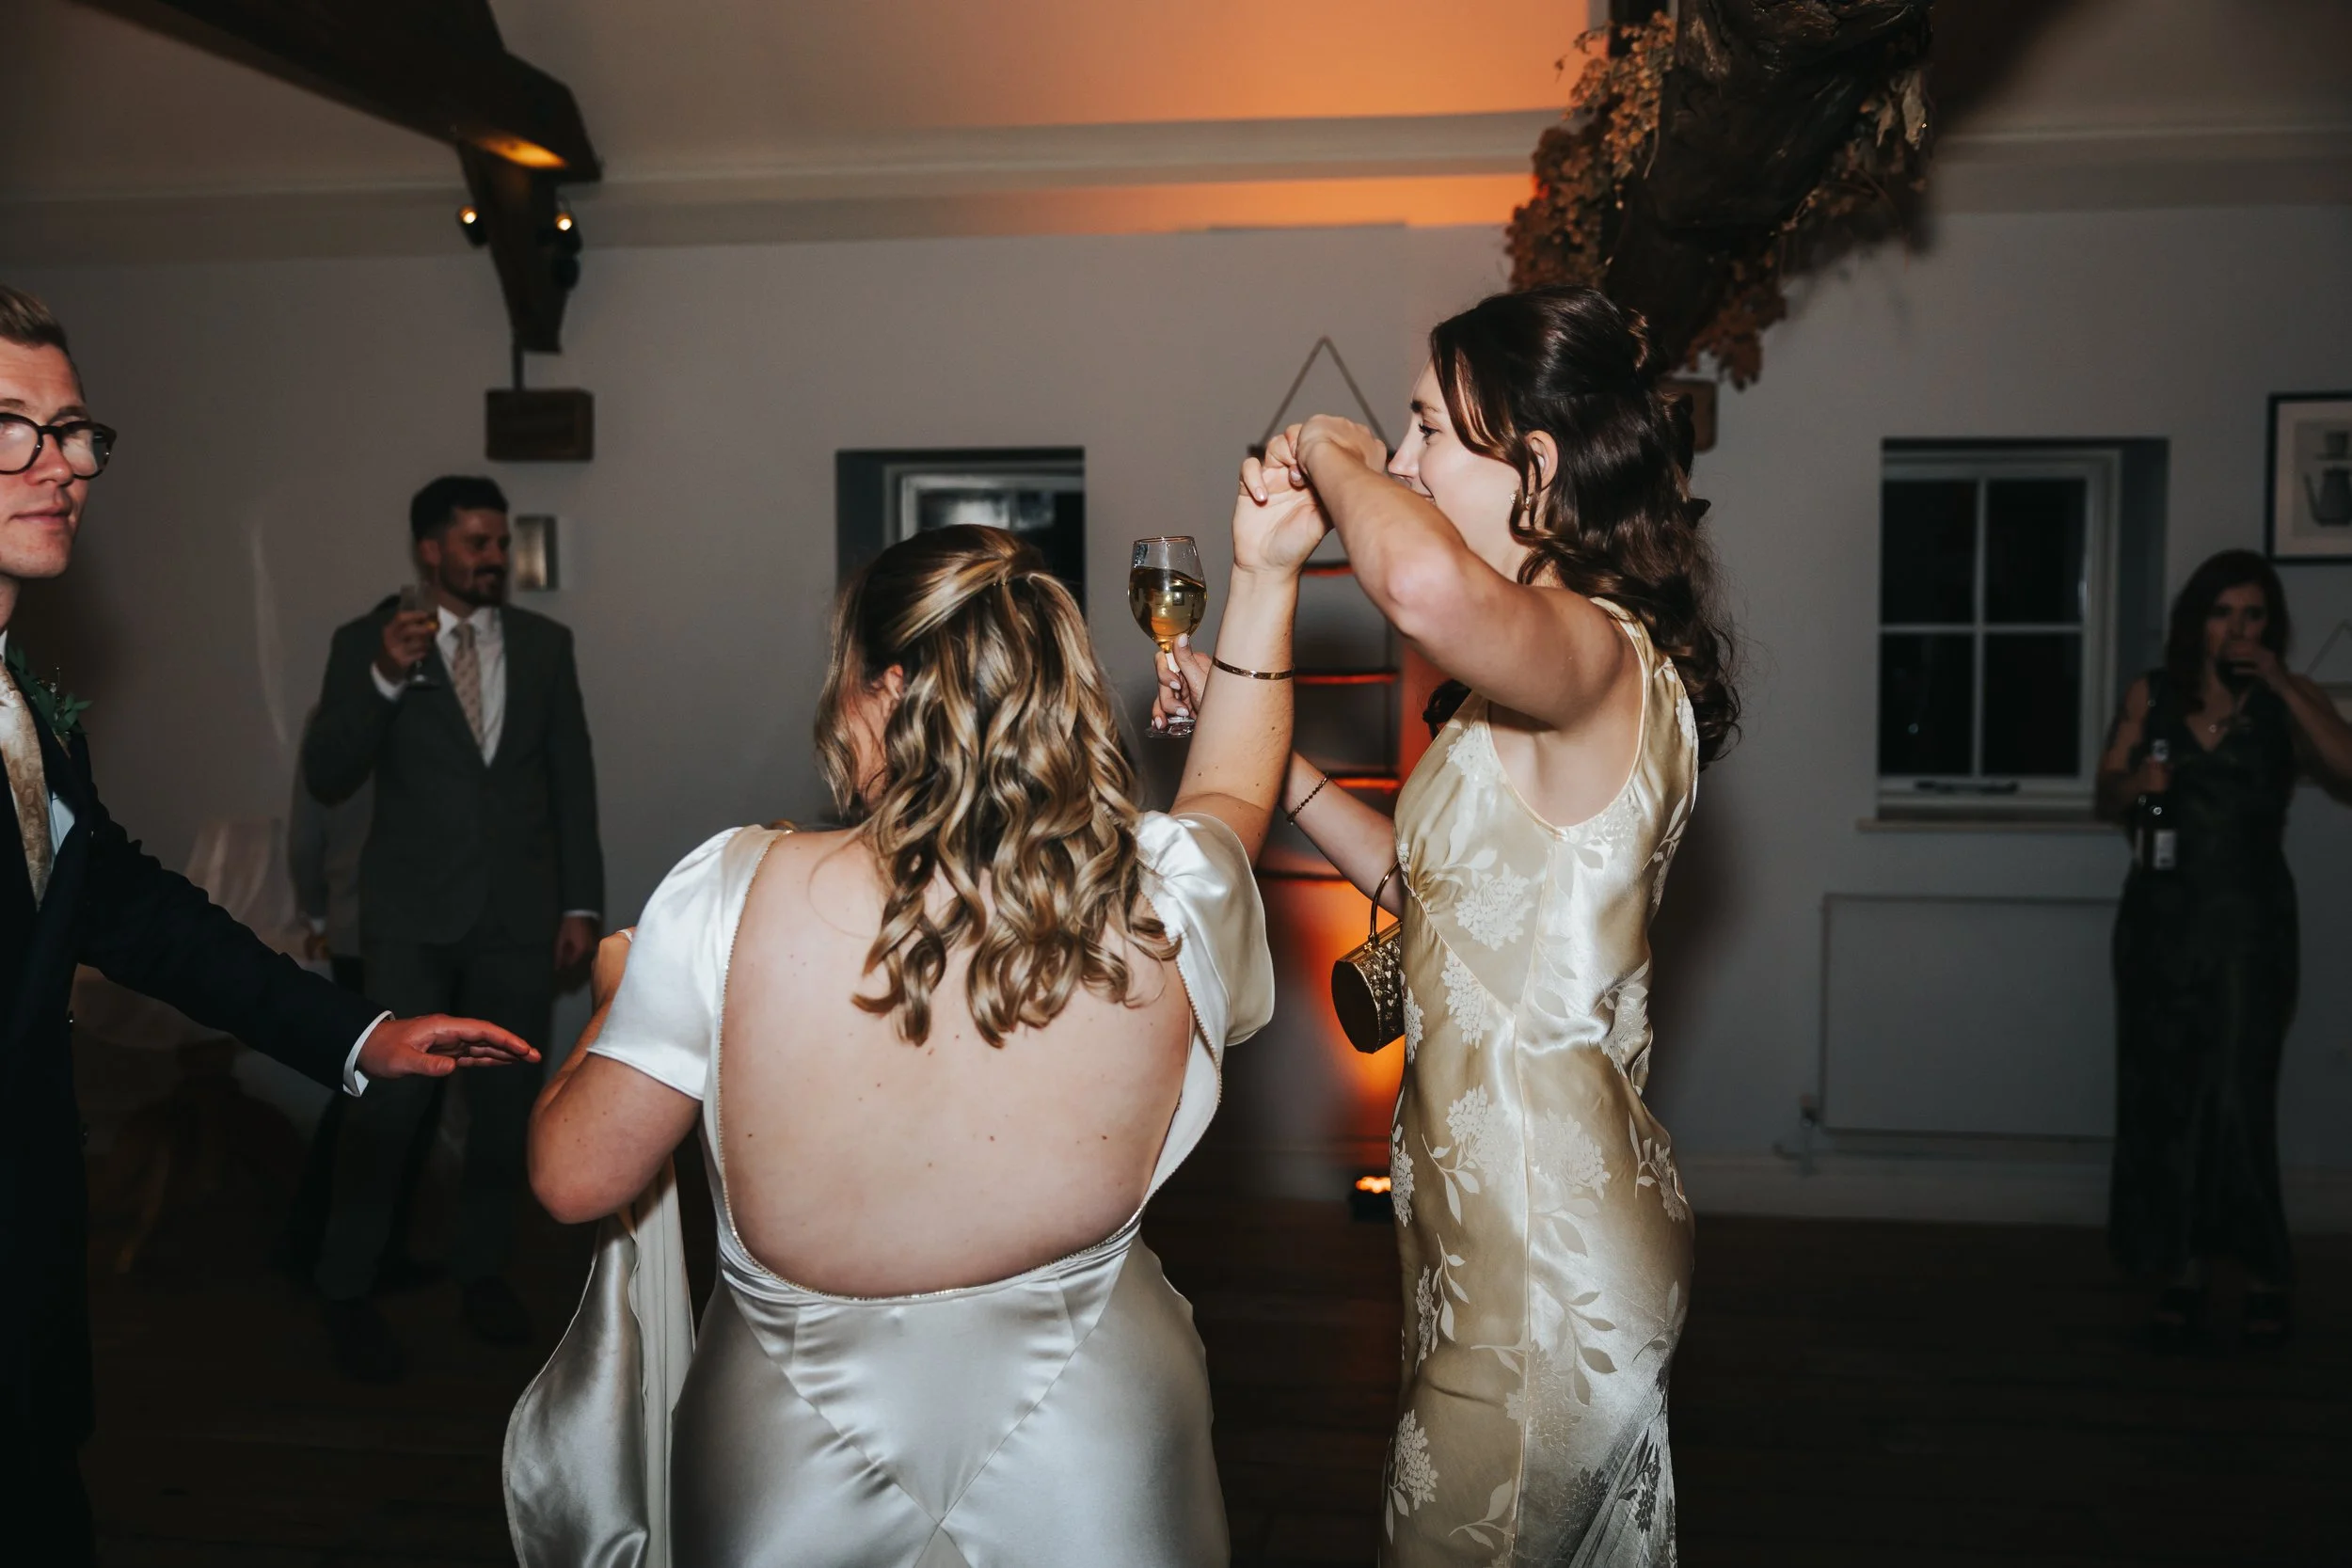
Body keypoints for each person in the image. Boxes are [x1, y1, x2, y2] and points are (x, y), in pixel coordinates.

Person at [517, 520, 1306, 1564]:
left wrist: (619, 996)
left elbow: (575, 1175)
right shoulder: (1161, 892)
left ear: (887, 689)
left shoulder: (731, 895)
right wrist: (1267, 570)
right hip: (1100, 1446)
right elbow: (1235, 792)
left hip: (791, 1458)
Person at [1160, 286, 1736, 1565]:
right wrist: (1279, 760)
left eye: (1425, 428)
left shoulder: (1594, 651)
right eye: (1400, 433)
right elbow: (1438, 894)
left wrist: (1329, 449)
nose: (1406, 458)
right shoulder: (1519, 685)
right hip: (1485, 1229)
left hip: (1550, 1258)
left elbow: (1415, 582)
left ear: (1535, 464)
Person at [0, 286, 535, 1565]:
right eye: (12, 427)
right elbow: (330, 765)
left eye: (75, 431)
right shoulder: (373, 640)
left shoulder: (30, 702)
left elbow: (126, 904)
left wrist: (362, 1030)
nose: (64, 465)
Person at [303, 476, 605, 1379]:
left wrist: (580, 903)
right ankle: (345, 1286)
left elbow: (571, 780)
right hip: (411, 923)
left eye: (499, 543)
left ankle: (483, 1272)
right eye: (475, 542)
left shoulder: (546, 646)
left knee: (509, 1109)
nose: (492, 558)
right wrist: (386, 679)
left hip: (517, 920)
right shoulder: (368, 642)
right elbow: (326, 771)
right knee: (386, 1111)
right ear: (429, 550)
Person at [2095, 549, 2352, 1350]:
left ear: (2269, 624)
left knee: (2239, 1098)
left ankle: (2269, 1272)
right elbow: (2109, 790)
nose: (2237, 628)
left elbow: (2347, 766)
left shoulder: (2288, 698)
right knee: (2168, 1093)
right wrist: (2146, 785)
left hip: (2248, 926)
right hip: (2160, 920)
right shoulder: (2153, 692)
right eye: (2222, 612)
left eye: (2252, 614)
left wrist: (2278, 680)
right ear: (2196, 619)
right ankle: (2186, 1271)